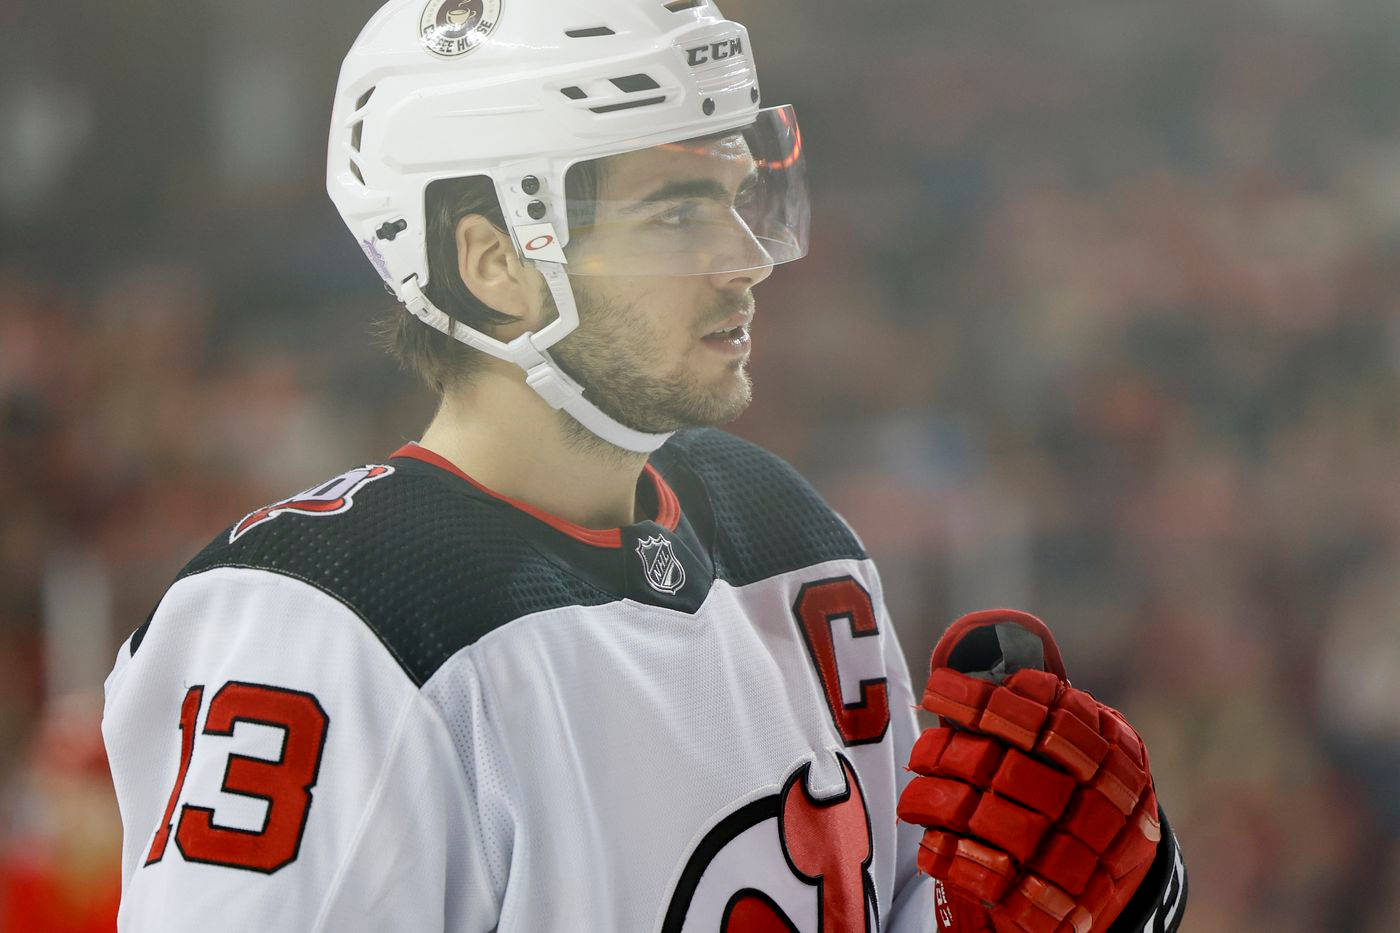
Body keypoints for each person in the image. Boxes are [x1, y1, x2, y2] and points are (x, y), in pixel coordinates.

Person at [101, 0, 1186, 930]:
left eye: (731, 195)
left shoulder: (783, 536)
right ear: (491, 262)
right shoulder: (324, 622)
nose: (743, 259)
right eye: (674, 212)